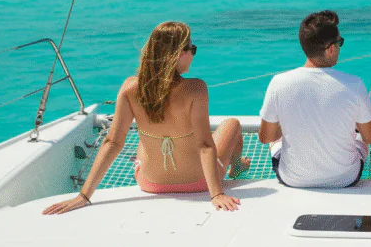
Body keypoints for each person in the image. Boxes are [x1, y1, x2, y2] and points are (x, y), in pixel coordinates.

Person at [43, 22, 246, 214]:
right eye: (192, 49)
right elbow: (204, 146)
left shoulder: (130, 88)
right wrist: (217, 194)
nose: (193, 55)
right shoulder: (196, 89)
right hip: (199, 182)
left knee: (145, 137)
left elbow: (113, 142)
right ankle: (237, 167)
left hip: (150, 183)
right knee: (232, 125)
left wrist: (84, 195)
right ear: (179, 54)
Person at [259, 10, 371, 188]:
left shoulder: (279, 83)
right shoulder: (354, 84)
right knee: (361, 139)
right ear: (331, 49)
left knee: (275, 140)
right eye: (340, 42)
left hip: (293, 179)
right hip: (345, 178)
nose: (339, 47)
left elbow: (265, 137)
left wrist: (289, 125)